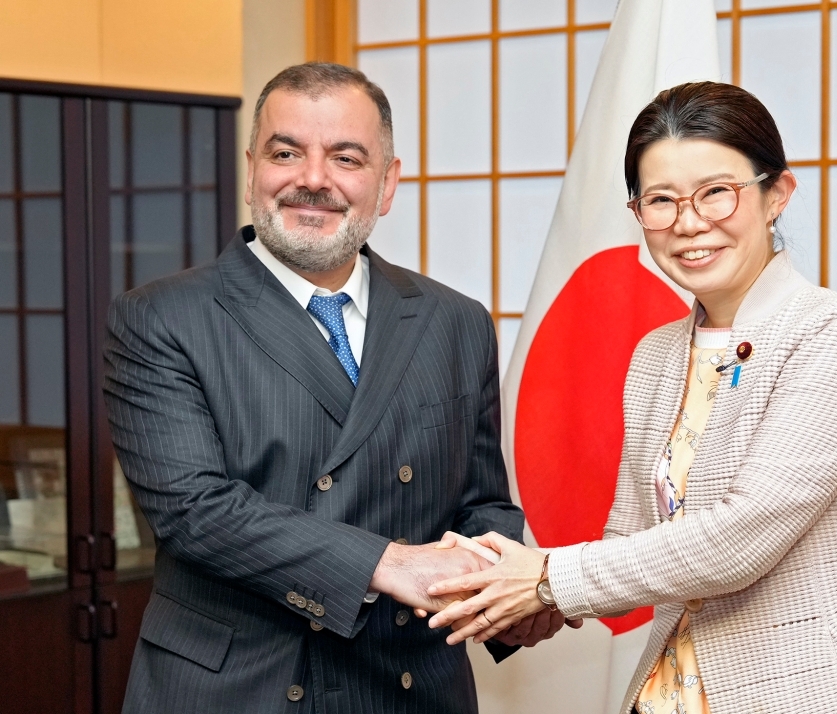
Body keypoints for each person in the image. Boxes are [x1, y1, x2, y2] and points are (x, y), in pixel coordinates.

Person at [426, 82, 837, 714]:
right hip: (665, 692)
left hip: (807, 691)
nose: (688, 224)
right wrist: (524, 599)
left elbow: (740, 538)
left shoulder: (835, 333)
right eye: (661, 200)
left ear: (777, 194)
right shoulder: (656, 353)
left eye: (716, 192)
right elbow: (631, 537)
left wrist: (547, 579)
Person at [103, 62, 573, 714]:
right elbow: (195, 512)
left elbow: (480, 502)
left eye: (346, 158)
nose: (314, 179)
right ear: (251, 171)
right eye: (286, 153)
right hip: (243, 687)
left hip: (411, 684)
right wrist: (391, 564)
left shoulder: (455, 321)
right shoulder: (161, 317)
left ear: (387, 183)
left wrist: (502, 595)